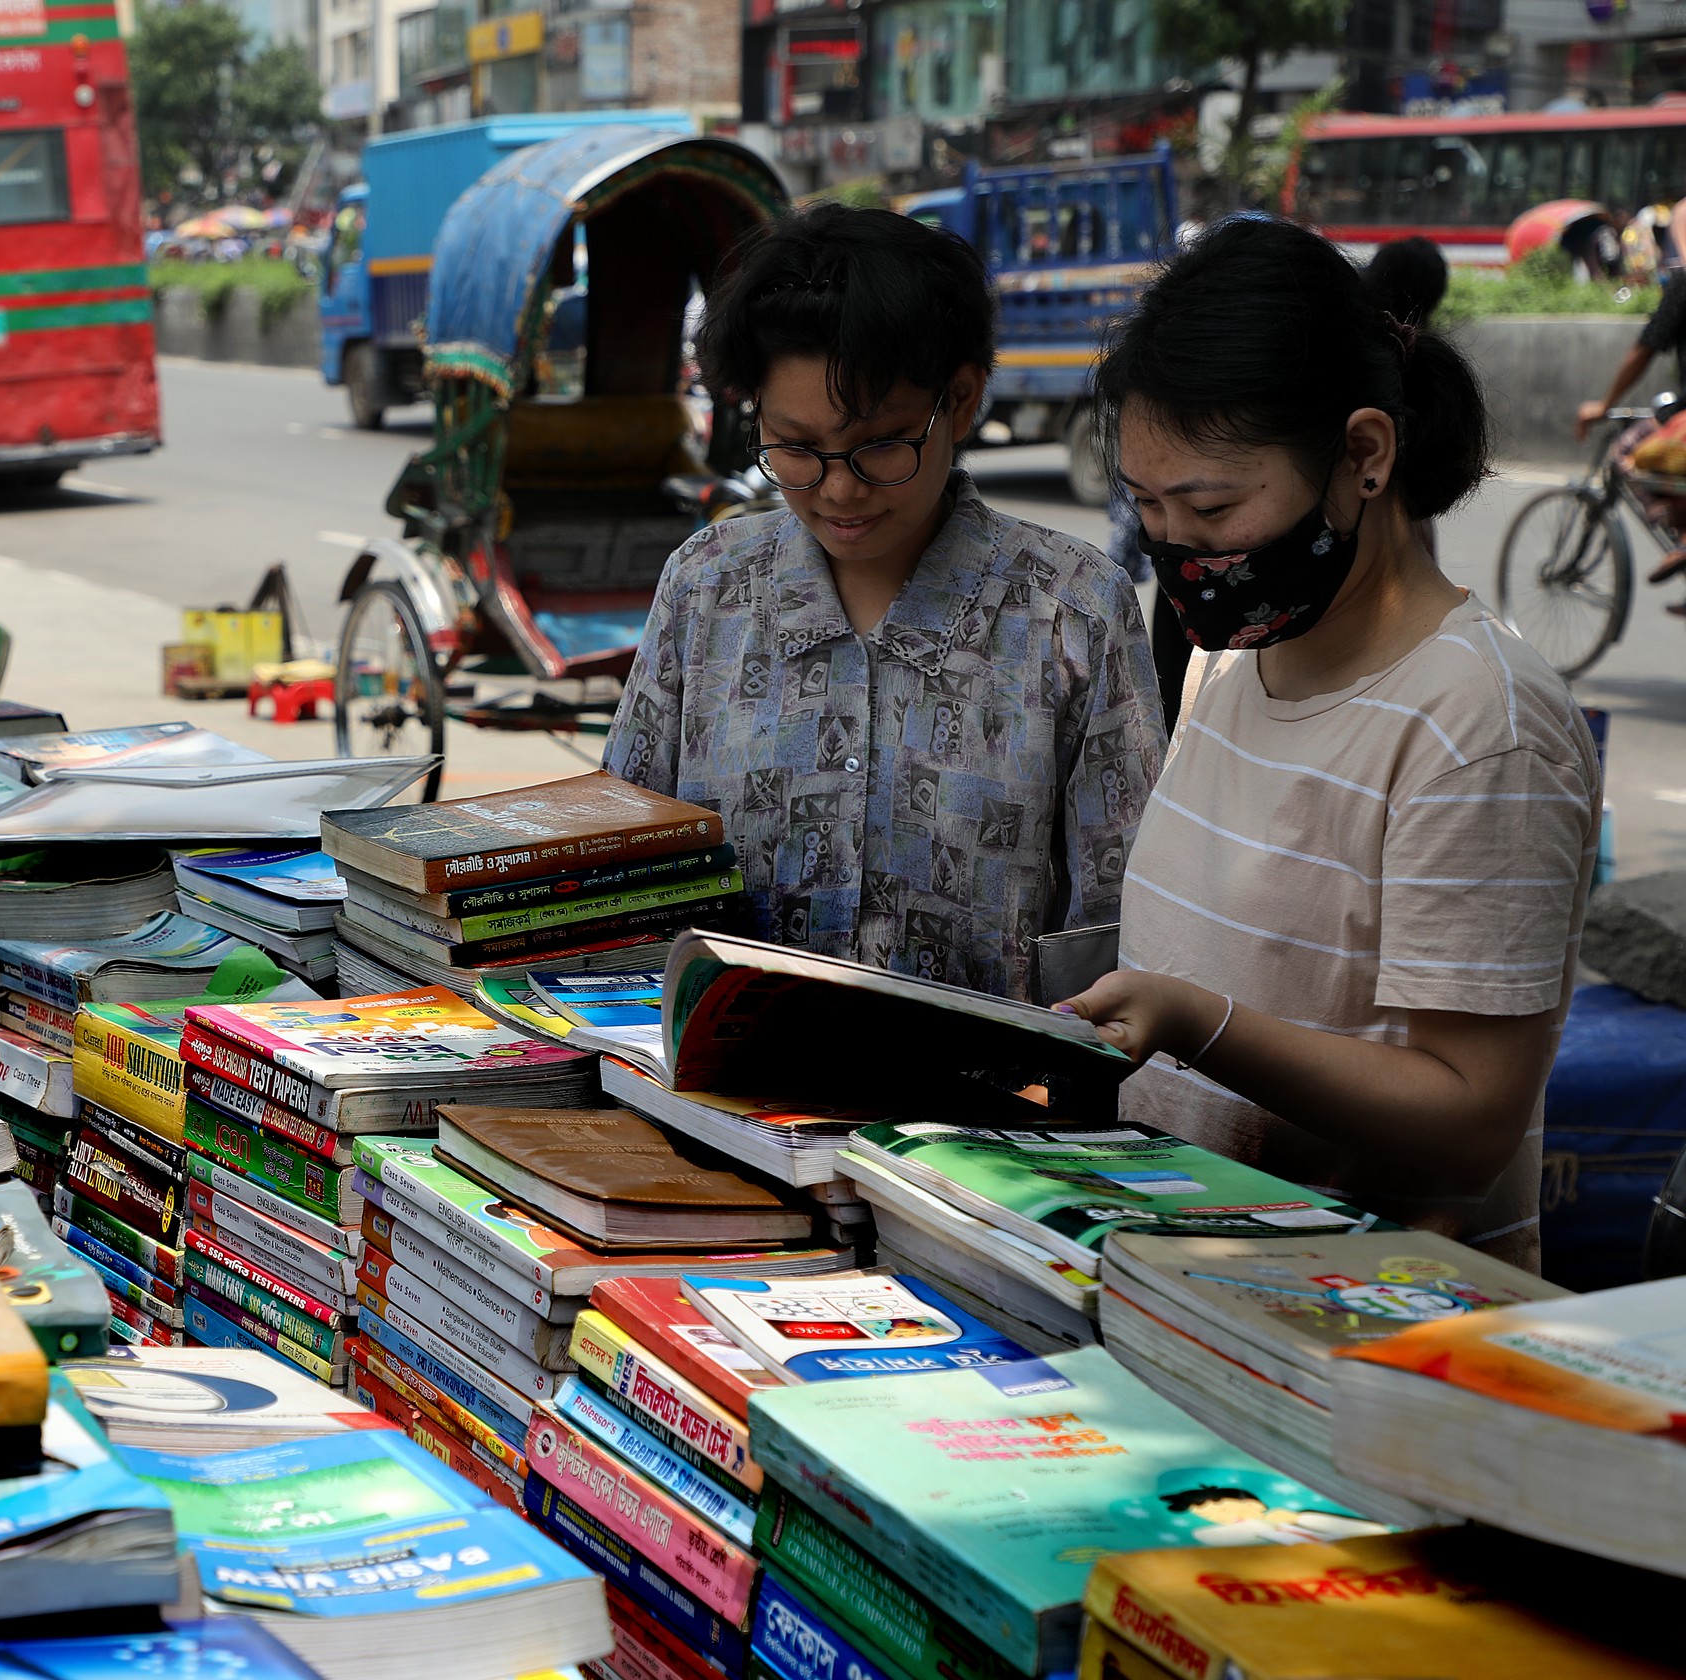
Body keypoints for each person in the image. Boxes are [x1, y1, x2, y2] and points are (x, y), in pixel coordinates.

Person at [1068, 219, 1599, 1273]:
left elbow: (1471, 1115)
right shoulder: (1236, 655)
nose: (1178, 549)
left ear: (1364, 453)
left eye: (1212, 507)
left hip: (1364, 1329)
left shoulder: (1477, 722)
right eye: (1147, 509)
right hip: (1184, 1274)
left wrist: (1197, 1022)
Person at [601, 204, 1164, 1002]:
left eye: (879, 446)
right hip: (714, 1105)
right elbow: (614, 873)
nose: (838, 489)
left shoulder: (1073, 610)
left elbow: (1117, 929)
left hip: (975, 1116)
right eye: (795, 448)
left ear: (962, 401)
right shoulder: (707, 585)